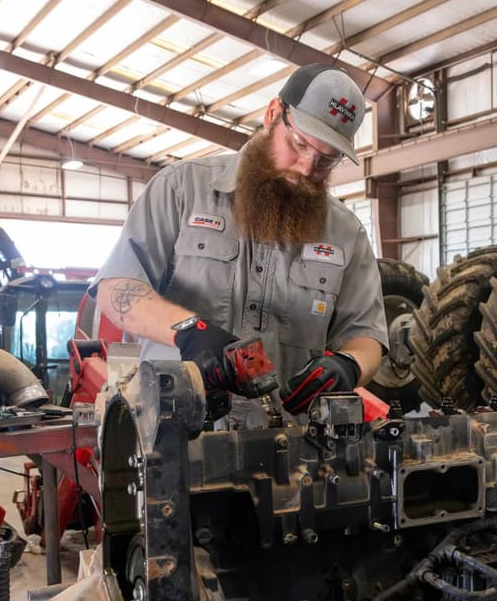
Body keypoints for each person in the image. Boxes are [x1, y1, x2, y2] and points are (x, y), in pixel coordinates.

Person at [92, 64, 387, 425]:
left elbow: (366, 334)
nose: (308, 168)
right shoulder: (180, 190)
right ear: (273, 114)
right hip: (172, 434)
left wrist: (349, 365)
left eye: (327, 159)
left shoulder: (346, 232)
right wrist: (188, 332)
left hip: (287, 443)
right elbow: (115, 289)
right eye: (300, 144)